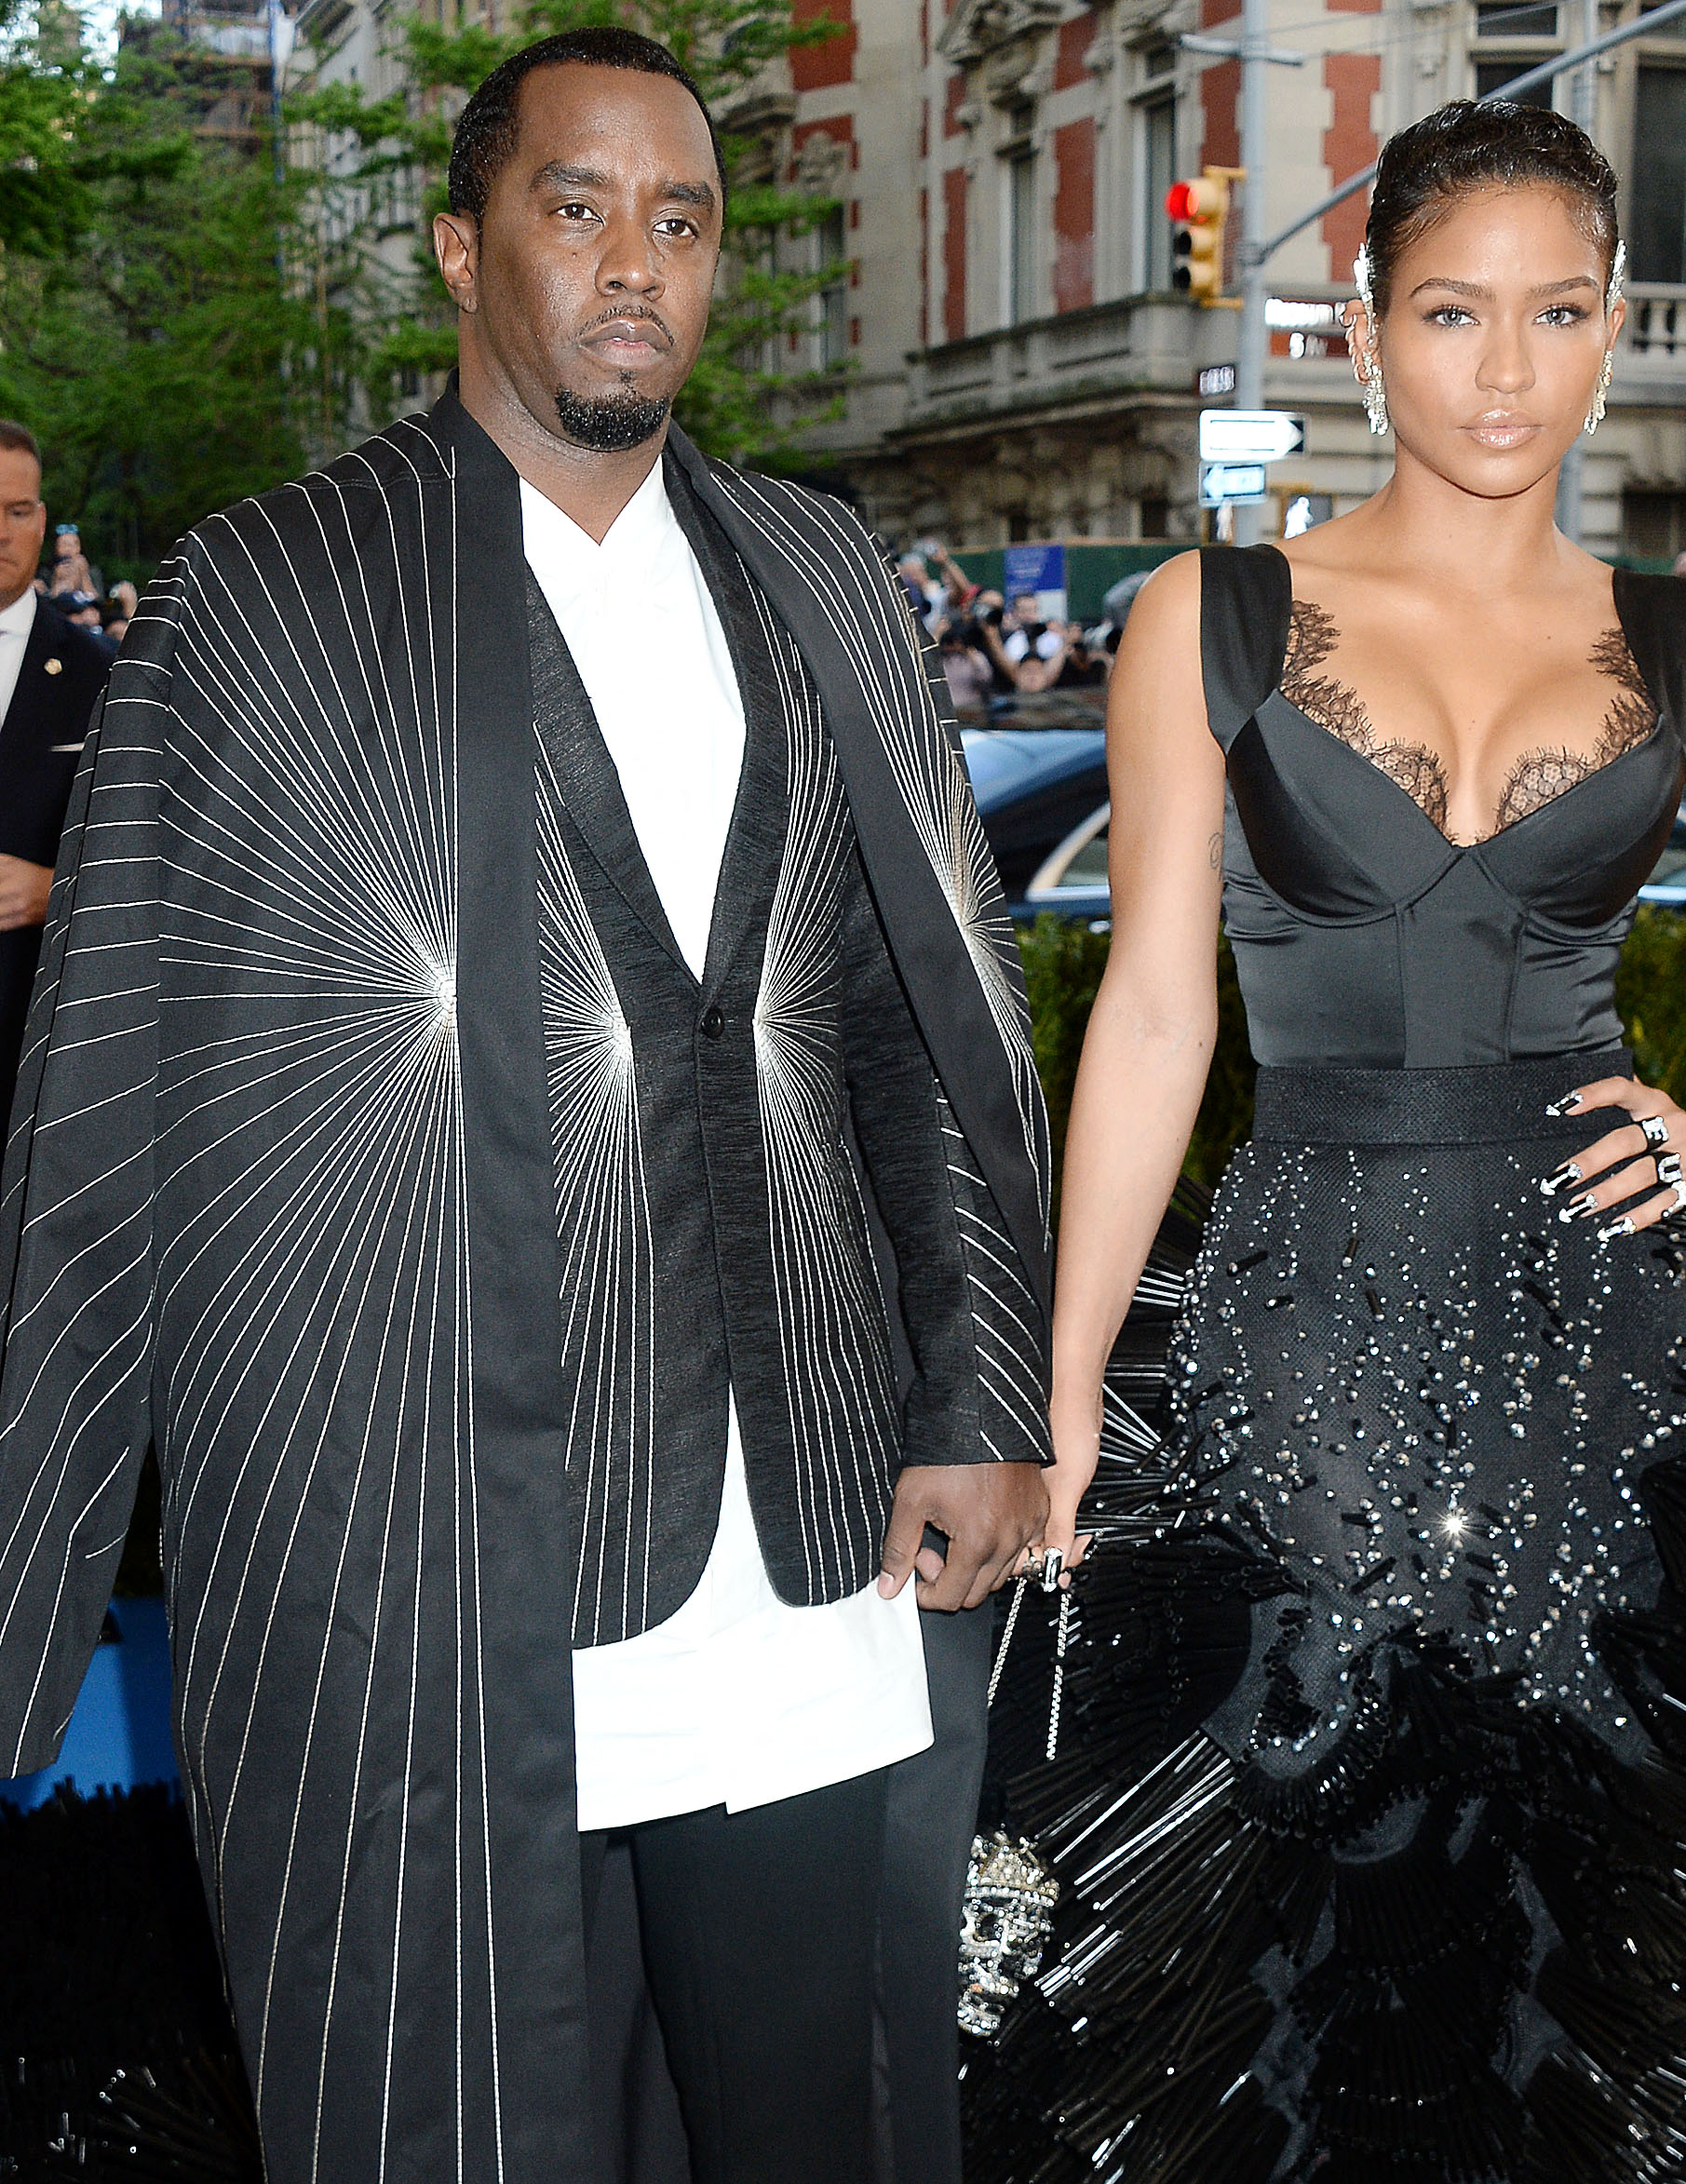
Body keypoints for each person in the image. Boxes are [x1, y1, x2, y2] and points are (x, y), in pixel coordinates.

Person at [0, 31, 1055, 2184]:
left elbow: (920, 1023)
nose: (636, 262)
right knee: (460, 2126)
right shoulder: (270, 602)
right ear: (462, 243)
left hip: (808, 1532)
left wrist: (981, 1386)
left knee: (824, 2131)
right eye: (581, 207)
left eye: (683, 218)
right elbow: (107, 1102)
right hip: (430, 1569)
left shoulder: (822, 579)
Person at [967, 99, 1686, 2182]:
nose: (1505, 370)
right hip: (1302, 1326)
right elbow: (1152, 1015)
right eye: (1456, 313)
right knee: (1288, 1892)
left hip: (1603, 1357)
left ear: (1613, 326)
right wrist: (1058, 1396)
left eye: (1555, 314)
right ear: (1366, 327)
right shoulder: (1204, 617)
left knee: (1569, 1923)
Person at [0, 421, 113, 1130]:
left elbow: (156, 852)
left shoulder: (104, 677)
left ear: (42, 521)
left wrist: (56, 890)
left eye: (17, 512)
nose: (1, 534)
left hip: (38, 1070)